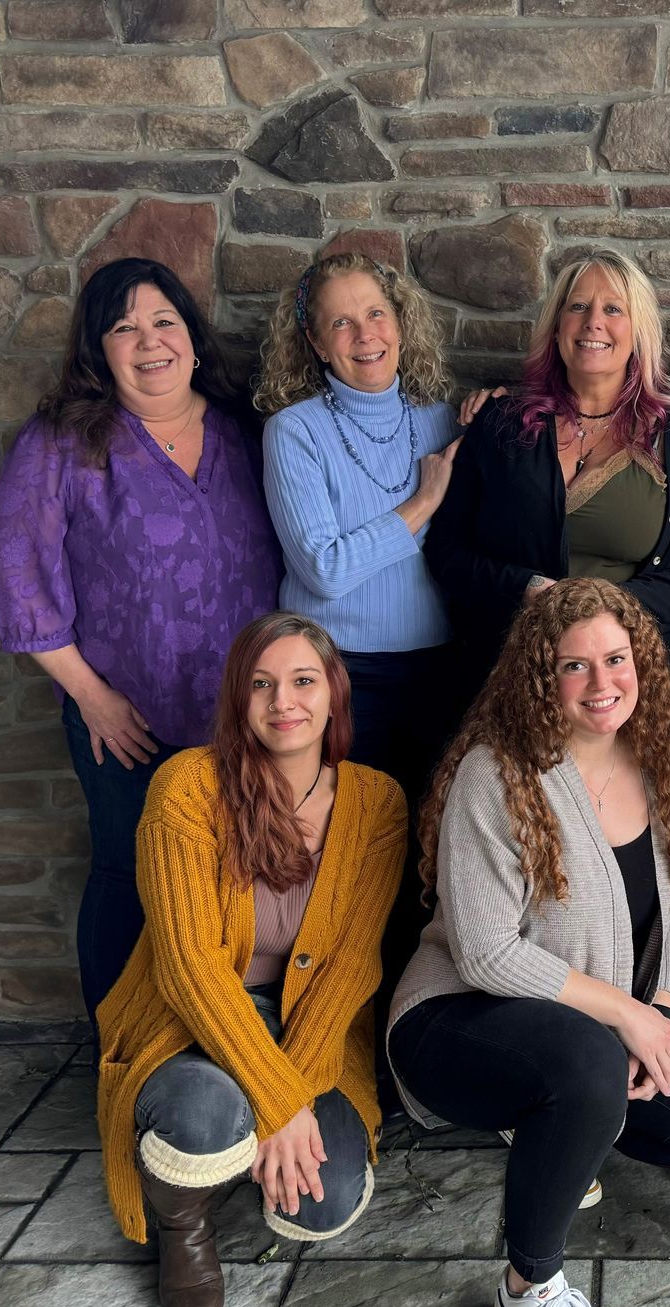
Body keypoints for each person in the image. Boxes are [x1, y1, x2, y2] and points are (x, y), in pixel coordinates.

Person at [388, 579, 670, 1307]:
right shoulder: (499, 772)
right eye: (574, 666)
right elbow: (485, 951)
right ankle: (528, 1294)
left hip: (591, 1015)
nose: (602, 684)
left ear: (641, 664)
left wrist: (656, 1005)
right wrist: (622, 1021)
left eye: (616, 659)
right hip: (457, 1015)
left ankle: (559, 1111)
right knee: (588, 1062)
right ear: (539, 676)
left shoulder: (657, 757)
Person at [0, 257, 281, 1024]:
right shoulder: (62, 443)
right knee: (129, 872)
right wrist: (92, 698)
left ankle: (218, 1041)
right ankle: (122, 1050)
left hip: (249, 716)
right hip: (126, 719)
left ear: (190, 335)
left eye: (164, 322)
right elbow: (18, 582)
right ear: (98, 347)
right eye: (124, 328)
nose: (149, 343)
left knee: (236, 875)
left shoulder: (244, 434)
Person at [93, 612, 405, 1307]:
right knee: (202, 1120)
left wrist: (285, 1095)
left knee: (323, 1198)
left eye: (303, 680)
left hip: (307, 1024)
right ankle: (183, 1227)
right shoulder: (187, 787)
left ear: (334, 694)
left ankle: (240, 1139)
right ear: (239, 698)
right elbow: (187, 964)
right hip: (189, 1015)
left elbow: (352, 963)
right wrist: (280, 1103)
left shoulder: (377, 802)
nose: (283, 701)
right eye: (261, 684)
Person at [254, 251, 489, 1008]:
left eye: (376, 313)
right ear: (316, 343)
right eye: (342, 321)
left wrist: (502, 414)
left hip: (442, 674)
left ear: (401, 322)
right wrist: (421, 505)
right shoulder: (293, 433)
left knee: (437, 860)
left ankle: (419, 1029)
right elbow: (322, 567)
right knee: (349, 865)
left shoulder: (442, 418)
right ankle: (339, 1026)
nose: (365, 334)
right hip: (341, 680)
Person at [423, 249, 670, 701]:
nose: (593, 322)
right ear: (557, 326)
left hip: (631, 685)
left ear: (638, 329)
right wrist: (524, 587)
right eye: (578, 306)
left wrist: (613, 606)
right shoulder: (501, 424)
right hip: (509, 675)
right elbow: (446, 550)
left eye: (613, 309)